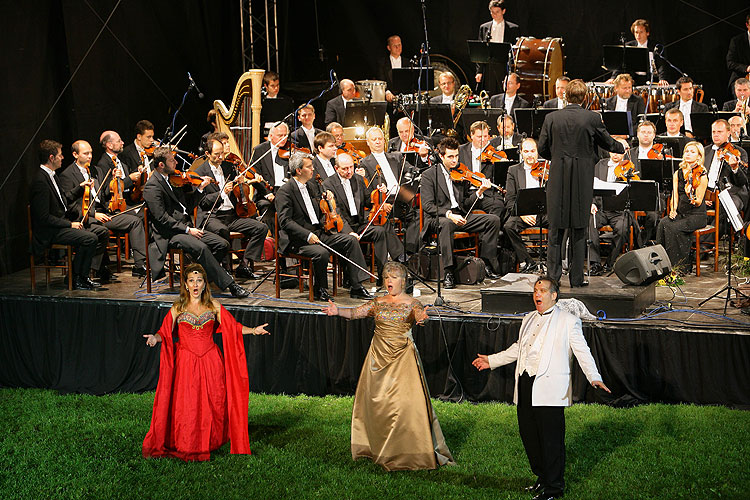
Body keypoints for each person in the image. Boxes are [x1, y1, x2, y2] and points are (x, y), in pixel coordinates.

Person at [472, 276, 610, 500]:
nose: (537, 294)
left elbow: (582, 351)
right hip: (526, 383)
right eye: (535, 290)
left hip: (550, 387)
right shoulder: (528, 318)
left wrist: (594, 376)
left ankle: (554, 487)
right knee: (529, 435)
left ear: (554, 295)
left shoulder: (568, 321)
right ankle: (542, 477)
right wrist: (491, 360)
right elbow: (519, 348)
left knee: (551, 440)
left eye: (543, 290)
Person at [322, 261, 454, 471]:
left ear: (403, 281)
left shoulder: (412, 303)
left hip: (403, 358)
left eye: (393, 277)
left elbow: (422, 317)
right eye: (386, 277)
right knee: (378, 402)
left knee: (405, 405)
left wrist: (423, 319)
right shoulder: (378, 302)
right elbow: (356, 313)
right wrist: (338, 311)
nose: (388, 281)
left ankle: (410, 450)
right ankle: (375, 446)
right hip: (377, 358)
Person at [142, 263, 270, 461]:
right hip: (185, 363)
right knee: (188, 404)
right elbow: (164, 332)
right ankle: (186, 441)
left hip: (211, 361)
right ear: (185, 284)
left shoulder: (213, 306)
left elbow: (233, 328)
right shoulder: (178, 308)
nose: (195, 284)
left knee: (213, 402)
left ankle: (211, 440)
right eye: (191, 281)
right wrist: (154, 338)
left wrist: (253, 330)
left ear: (204, 285)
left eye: (199, 281)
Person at [537, 79, 624, 287]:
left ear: (565, 96)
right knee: (578, 227)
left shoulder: (551, 118)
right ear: (585, 98)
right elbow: (607, 142)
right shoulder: (592, 118)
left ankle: (553, 278)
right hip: (582, 179)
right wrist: (621, 147)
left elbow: (542, 149)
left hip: (558, 177)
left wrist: (558, 157)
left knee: (556, 228)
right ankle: (576, 278)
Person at [142, 146, 250, 298]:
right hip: (169, 234)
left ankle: (204, 278)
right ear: (161, 165)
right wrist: (188, 230)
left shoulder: (173, 180)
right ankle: (231, 285)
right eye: (172, 161)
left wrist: (200, 189)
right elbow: (162, 218)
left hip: (185, 228)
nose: (176, 164)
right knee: (201, 248)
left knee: (222, 244)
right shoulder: (152, 186)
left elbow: (187, 206)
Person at [275, 152, 373, 301]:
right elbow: (285, 221)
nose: (313, 169)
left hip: (318, 233)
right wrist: (307, 235)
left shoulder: (312, 186)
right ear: (299, 170)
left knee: (350, 240)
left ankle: (357, 286)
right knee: (321, 253)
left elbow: (322, 209)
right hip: (297, 240)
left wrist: (328, 199)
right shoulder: (285, 191)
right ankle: (320, 288)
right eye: (309, 167)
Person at [420, 137, 503, 288]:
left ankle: (485, 263)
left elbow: (465, 203)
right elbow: (427, 205)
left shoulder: (460, 172)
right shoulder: (429, 175)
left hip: (461, 215)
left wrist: (479, 191)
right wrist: (449, 214)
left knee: (493, 220)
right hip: (439, 218)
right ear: (441, 156)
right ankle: (448, 271)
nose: (454, 160)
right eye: (450, 157)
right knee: (446, 224)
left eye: (456, 156)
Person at [58, 139, 148, 278]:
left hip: (105, 211)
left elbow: (105, 193)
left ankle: (139, 265)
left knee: (135, 221)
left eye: (91, 153)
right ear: (75, 155)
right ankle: (98, 268)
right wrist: (94, 214)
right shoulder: (67, 175)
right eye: (85, 153)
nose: (90, 156)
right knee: (101, 231)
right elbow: (70, 205)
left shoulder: (96, 170)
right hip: (87, 216)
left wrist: (115, 180)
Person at [29, 139, 100, 290]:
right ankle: (77, 277)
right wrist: (70, 224)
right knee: (89, 238)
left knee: (97, 232)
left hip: (59, 226)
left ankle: (79, 276)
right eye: (60, 155)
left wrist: (80, 188)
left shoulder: (52, 175)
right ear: (51, 157)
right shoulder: (40, 181)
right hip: (49, 232)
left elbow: (63, 200)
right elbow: (43, 217)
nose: (62, 158)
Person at [323, 153, 405, 282]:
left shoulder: (359, 179)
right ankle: (354, 280)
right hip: (342, 227)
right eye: (345, 169)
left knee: (379, 231)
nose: (349, 171)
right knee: (351, 239)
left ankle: (382, 274)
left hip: (359, 223)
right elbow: (336, 212)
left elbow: (368, 201)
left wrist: (379, 192)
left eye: (351, 167)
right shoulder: (328, 184)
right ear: (336, 168)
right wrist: (349, 232)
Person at [194, 139, 268, 280]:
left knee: (261, 228)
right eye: (216, 154)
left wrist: (240, 183)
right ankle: (226, 268)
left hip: (232, 215)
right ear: (207, 154)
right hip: (212, 216)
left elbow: (238, 190)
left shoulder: (229, 167)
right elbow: (202, 202)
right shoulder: (199, 173)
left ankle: (244, 265)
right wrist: (222, 193)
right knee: (223, 231)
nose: (221, 157)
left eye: (222, 153)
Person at [656, 141, 708, 273]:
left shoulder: (702, 175)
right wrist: (673, 210)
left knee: (673, 228)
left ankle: (679, 267)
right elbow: (675, 195)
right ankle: (662, 265)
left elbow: (698, 201)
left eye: (692, 152)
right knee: (663, 223)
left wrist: (690, 193)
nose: (688, 154)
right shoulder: (678, 173)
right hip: (681, 213)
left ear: (699, 156)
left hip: (696, 215)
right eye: (687, 151)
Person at [588, 138, 635, 274]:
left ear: (625, 152)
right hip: (600, 208)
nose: (615, 154)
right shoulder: (598, 165)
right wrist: (591, 203)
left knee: (623, 228)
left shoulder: (630, 167)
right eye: (613, 150)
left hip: (619, 211)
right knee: (590, 221)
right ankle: (595, 263)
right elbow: (589, 185)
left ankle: (610, 262)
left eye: (619, 151)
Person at [503, 138, 549, 272]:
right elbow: (509, 199)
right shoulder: (513, 170)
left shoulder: (547, 168)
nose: (530, 155)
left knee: (561, 223)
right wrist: (522, 214)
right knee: (509, 226)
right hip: (523, 213)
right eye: (526, 151)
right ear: (521, 153)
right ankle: (528, 261)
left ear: (537, 152)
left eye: (533, 151)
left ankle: (553, 260)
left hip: (543, 213)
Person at [458, 120, 506, 218]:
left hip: (487, 193)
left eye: (485, 136)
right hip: (467, 193)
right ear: (471, 136)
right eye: (479, 137)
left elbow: (499, 179)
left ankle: (491, 231)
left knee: (498, 206)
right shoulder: (460, 151)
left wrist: (503, 166)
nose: (483, 140)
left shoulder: (494, 154)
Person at [475, 0, 520, 95]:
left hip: (504, 65)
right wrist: (479, 71)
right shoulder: (484, 28)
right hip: (489, 65)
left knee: (503, 90)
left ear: (503, 11)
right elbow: (480, 51)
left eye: (497, 12)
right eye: (492, 12)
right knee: (489, 92)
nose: (494, 15)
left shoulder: (513, 29)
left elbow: (515, 51)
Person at [703, 119, 748, 215]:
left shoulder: (739, 152)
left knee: (727, 206)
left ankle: (716, 230)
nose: (716, 134)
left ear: (728, 133)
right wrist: (703, 196)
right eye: (713, 132)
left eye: (719, 132)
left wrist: (735, 168)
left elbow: (742, 182)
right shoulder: (705, 151)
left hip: (732, 194)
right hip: (709, 194)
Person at [725, 14, 750, 92]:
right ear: (747, 25)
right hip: (741, 78)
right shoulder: (737, 41)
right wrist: (746, 68)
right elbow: (730, 63)